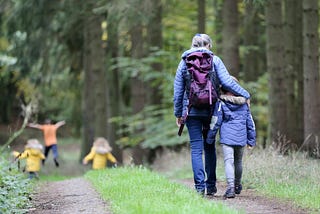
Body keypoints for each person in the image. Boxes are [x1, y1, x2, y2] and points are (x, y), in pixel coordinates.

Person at [173, 33, 250, 196]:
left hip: (191, 110)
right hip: (211, 110)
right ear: (209, 45)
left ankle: (199, 188)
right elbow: (228, 82)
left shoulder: (184, 62)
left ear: (192, 45)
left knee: (196, 148)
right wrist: (246, 95)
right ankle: (211, 186)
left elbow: (178, 91)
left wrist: (178, 113)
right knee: (209, 146)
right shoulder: (215, 60)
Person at [206, 77, 256, 198]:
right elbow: (251, 123)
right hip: (241, 137)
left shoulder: (221, 102)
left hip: (227, 137)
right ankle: (238, 184)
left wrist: (210, 137)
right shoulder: (244, 103)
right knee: (238, 162)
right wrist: (251, 140)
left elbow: (216, 121)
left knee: (229, 161)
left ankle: (231, 187)